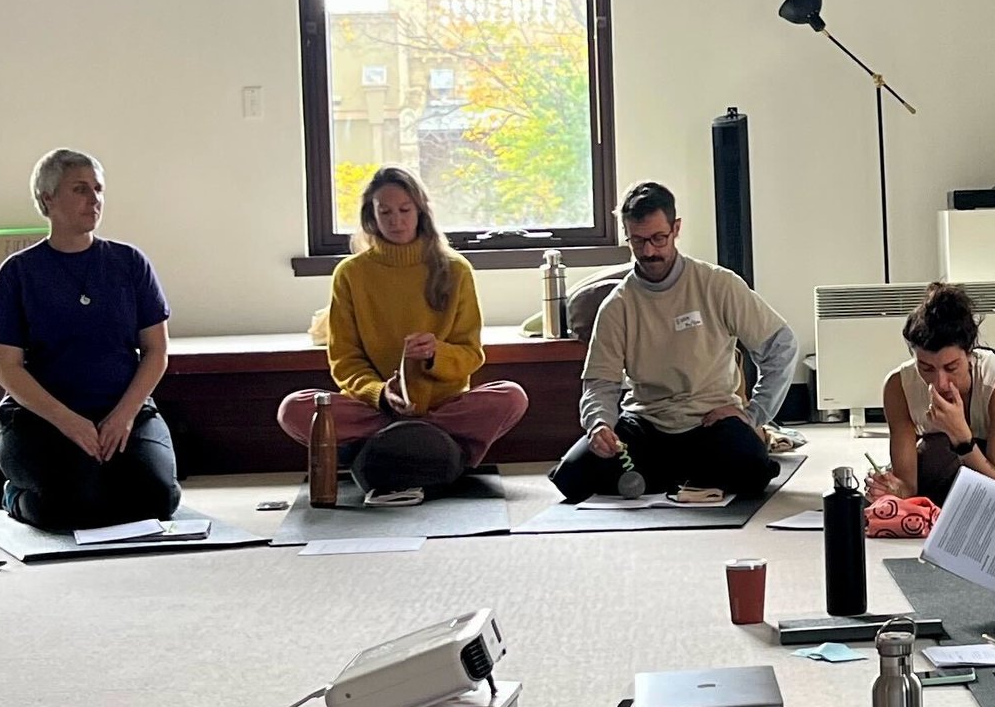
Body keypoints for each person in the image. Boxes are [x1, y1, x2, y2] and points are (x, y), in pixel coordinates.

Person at [278, 166, 530, 480]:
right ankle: (426, 445)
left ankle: (397, 443)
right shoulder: (350, 274)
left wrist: (436, 353)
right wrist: (381, 394)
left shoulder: (456, 269)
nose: (396, 220)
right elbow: (344, 360)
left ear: (421, 212)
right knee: (293, 408)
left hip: (443, 407)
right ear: (371, 216)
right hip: (376, 410)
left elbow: (470, 354)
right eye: (385, 212)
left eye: (404, 210)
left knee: (511, 396)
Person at [552, 180, 796, 503]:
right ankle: (681, 477)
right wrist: (599, 425)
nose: (649, 251)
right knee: (572, 476)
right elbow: (600, 383)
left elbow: (781, 346)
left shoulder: (716, 284)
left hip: (710, 423)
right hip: (645, 425)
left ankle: (668, 476)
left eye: (658, 238)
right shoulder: (617, 306)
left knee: (751, 469)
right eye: (638, 242)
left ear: (676, 228)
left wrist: (753, 416)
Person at [0, 148, 182, 533]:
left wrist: (124, 416)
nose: (94, 199)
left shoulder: (129, 262)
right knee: (73, 505)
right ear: (48, 199)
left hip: (124, 413)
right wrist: (68, 422)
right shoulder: (18, 273)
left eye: (98, 189)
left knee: (158, 499)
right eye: (80, 189)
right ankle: (11, 493)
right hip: (41, 420)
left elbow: (156, 352)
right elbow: (7, 367)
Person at [870, 283, 995, 506]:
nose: (940, 382)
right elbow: (909, 487)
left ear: (970, 352)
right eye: (926, 368)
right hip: (953, 458)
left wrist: (961, 438)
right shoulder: (898, 387)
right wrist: (892, 490)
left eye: (951, 368)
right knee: (934, 454)